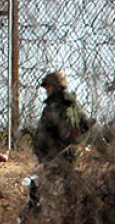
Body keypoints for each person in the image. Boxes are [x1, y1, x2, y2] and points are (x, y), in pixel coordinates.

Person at [27, 71, 91, 210]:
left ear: (56, 87)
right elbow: (85, 125)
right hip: (70, 155)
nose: (47, 91)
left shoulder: (53, 108)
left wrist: (42, 150)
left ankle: (35, 216)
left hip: (55, 156)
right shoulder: (74, 106)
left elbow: (45, 134)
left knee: (41, 187)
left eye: (48, 87)